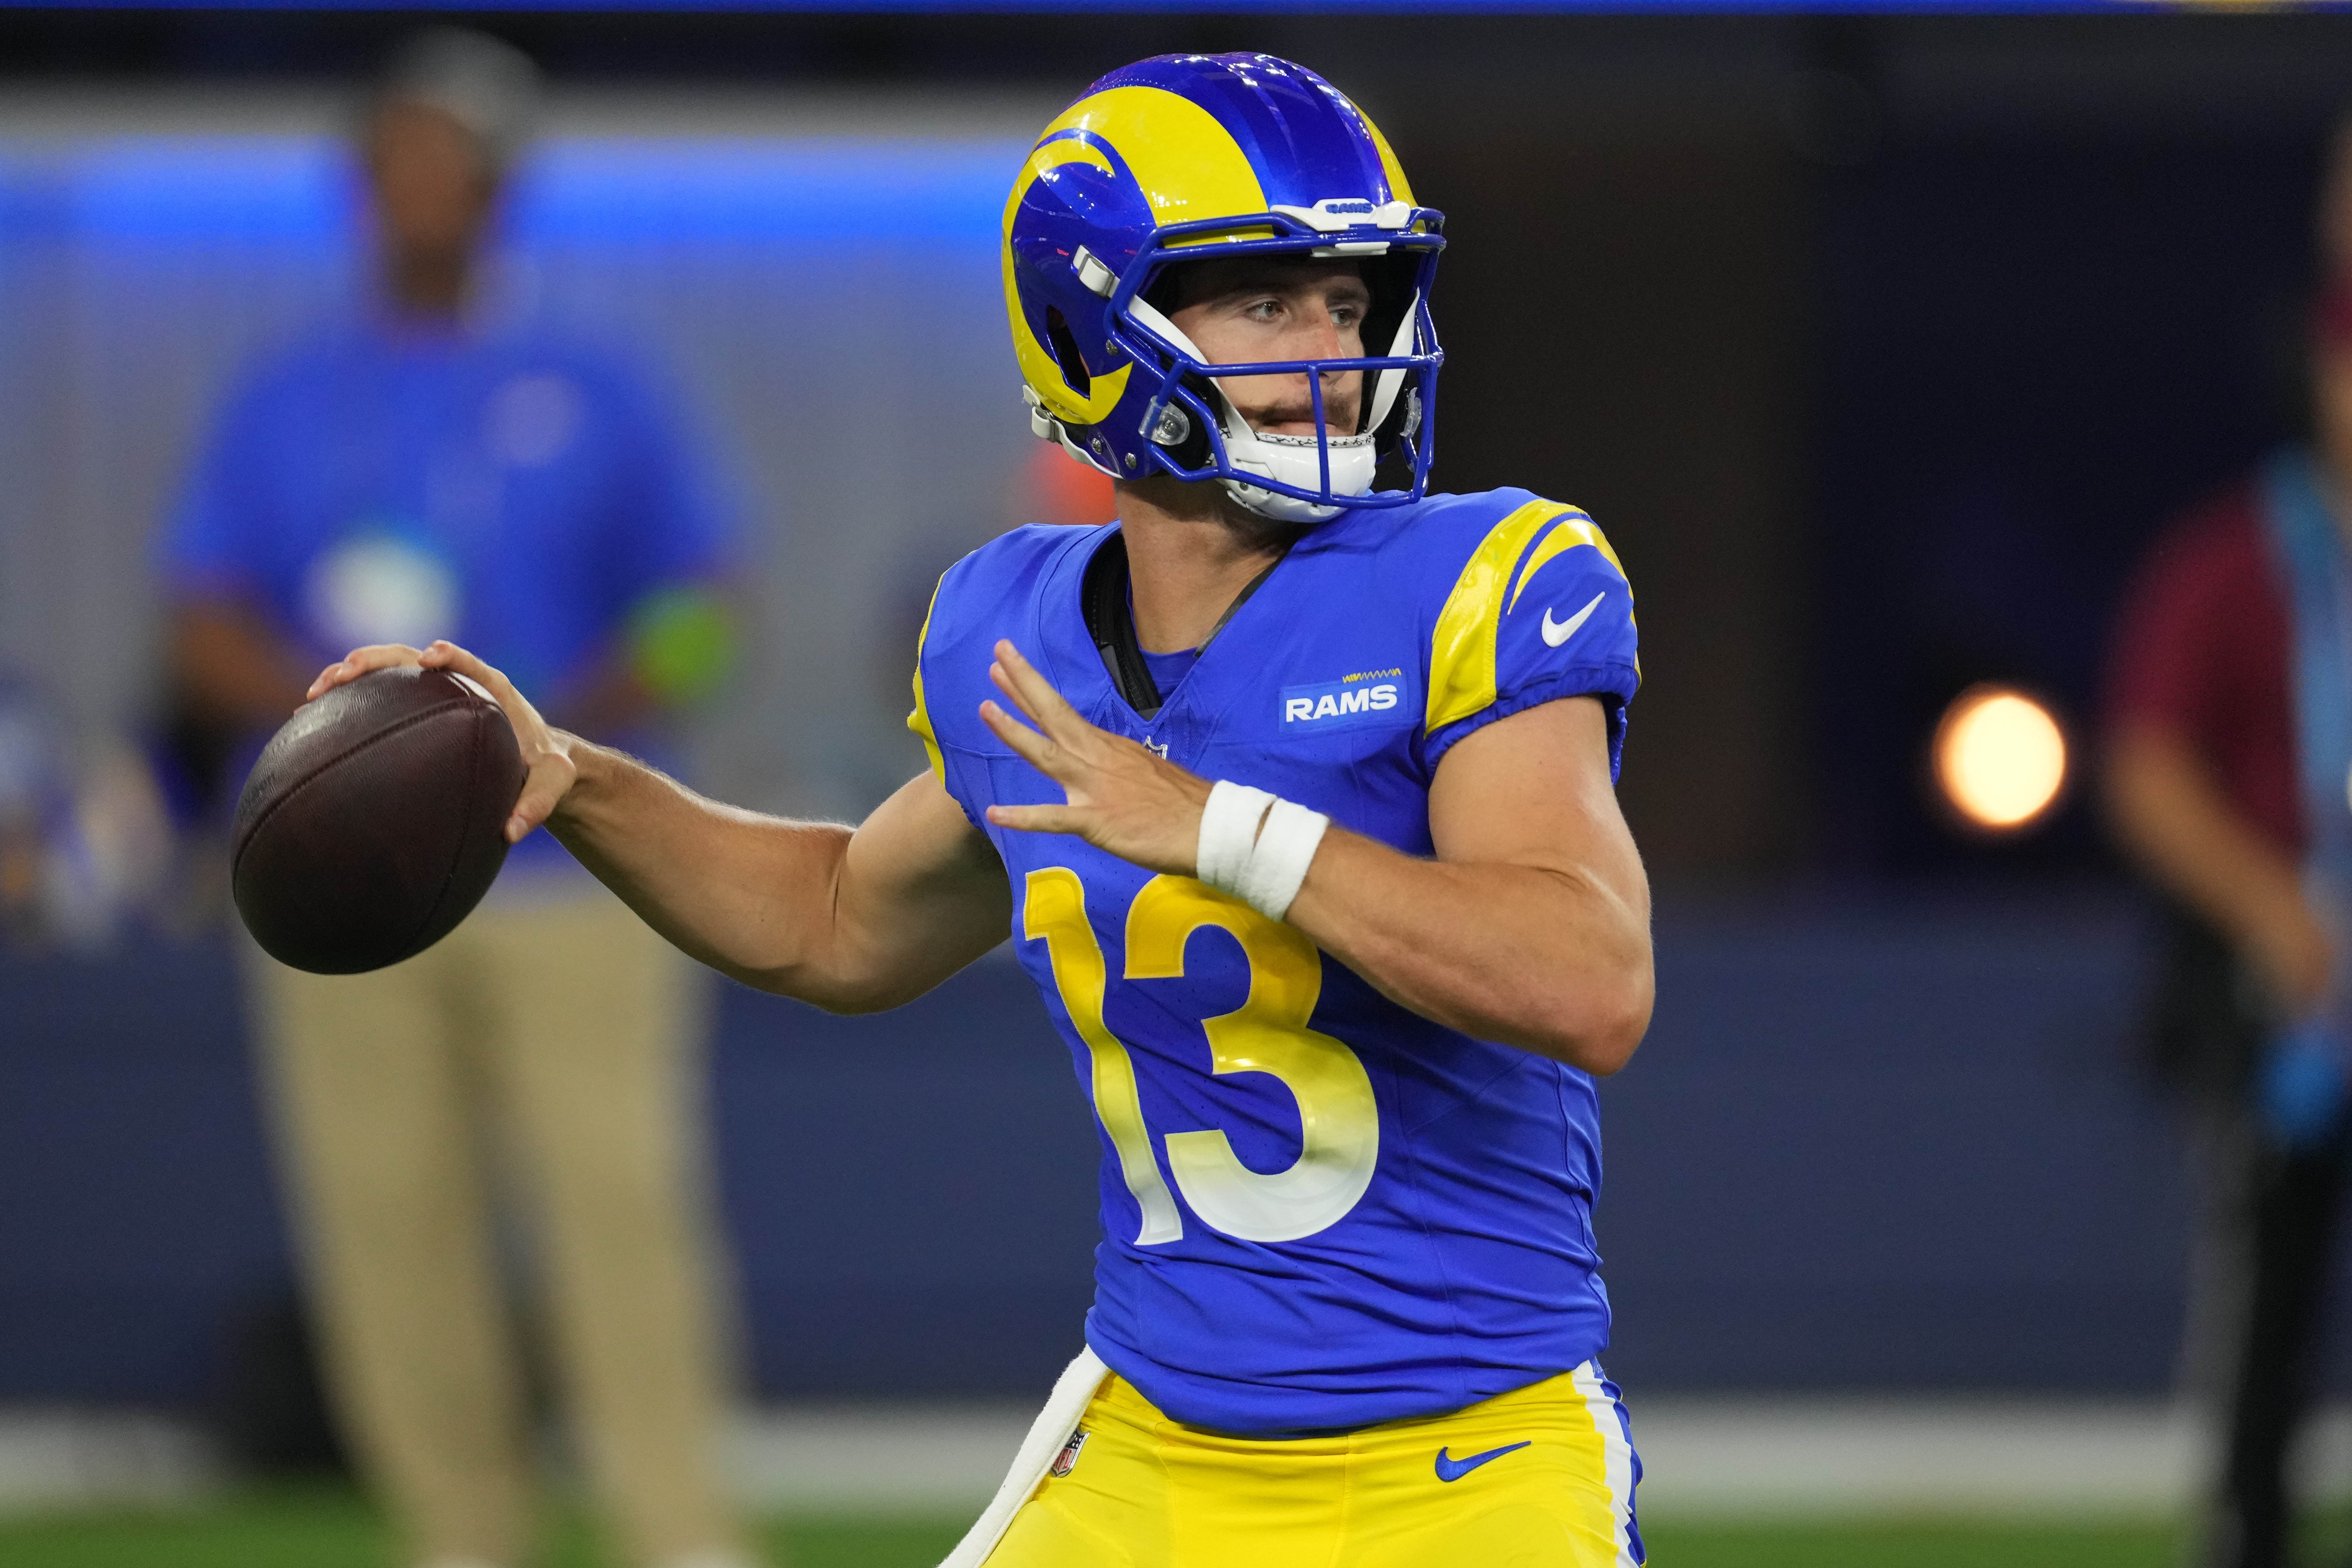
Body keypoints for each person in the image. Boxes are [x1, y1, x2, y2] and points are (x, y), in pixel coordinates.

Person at [314, 53, 1652, 1568]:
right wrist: (580, 779)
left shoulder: (1478, 579)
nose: (1333, 354)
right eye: (1267, 300)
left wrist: (1219, 826)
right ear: (1102, 331)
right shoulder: (1023, 631)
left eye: (1348, 304)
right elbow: (834, 921)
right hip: (1155, 1437)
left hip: (1468, 1450)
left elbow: (1590, 978)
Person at [158, 29, 757, 1568]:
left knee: (618, 1211)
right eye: (395, 159)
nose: (421, 186)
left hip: (568, 870)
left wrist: (556, 724)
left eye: (450, 159)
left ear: (499, 188)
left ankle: (677, 1532)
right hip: (343, 891)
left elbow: (709, 599)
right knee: (386, 1230)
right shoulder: (287, 394)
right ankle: (461, 1538)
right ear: (360, 189)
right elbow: (199, 610)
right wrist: (327, 722)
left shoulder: (600, 377)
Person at [2105, 148, 2352, 1568]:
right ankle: (2244, 1526)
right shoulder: (2242, 558)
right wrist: (2276, 914)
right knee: (2268, 1295)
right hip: (2289, 997)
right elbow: (2147, 766)